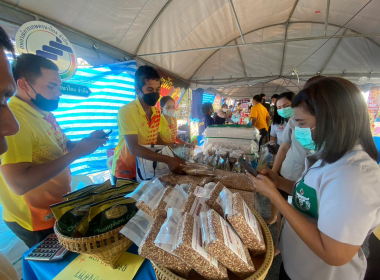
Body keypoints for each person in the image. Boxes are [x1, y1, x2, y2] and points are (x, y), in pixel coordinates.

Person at [248, 77, 380, 280]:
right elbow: (313, 196)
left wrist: (275, 197)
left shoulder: (355, 174)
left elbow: (335, 254)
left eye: (301, 123)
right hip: (297, 266)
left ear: (330, 119)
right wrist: (279, 182)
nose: (297, 130)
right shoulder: (331, 154)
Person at [0, 53, 108, 248]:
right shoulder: (15, 119)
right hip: (34, 218)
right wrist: (76, 154)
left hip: (56, 206)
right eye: (52, 86)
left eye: (59, 86)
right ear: (23, 85)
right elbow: (19, 183)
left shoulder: (42, 108)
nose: (59, 93)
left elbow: (62, 145)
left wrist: (85, 142)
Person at [112, 65, 185, 180]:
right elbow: (134, 148)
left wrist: (173, 155)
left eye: (157, 90)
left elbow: (156, 138)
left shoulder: (156, 112)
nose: (155, 94)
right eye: (150, 90)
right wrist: (167, 159)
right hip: (126, 170)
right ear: (138, 89)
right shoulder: (126, 111)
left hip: (147, 168)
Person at [0, 26, 22, 280]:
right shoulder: (22, 118)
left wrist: (78, 145)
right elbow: (19, 184)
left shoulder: (47, 115)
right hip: (31, 217)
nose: (11, 127)